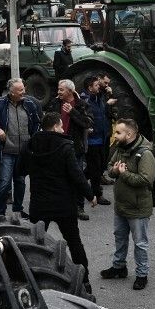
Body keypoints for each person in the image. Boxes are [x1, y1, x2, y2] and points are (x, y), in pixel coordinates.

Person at [26, 112, 97, 292]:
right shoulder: (65, 146)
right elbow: (76, 175)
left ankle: (31, 278)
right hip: (63, 203)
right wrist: (90, 195)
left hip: (39, 203)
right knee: (74, 241)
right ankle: (85, 281)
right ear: (56, 126)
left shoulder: (32, 143)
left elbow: (20, 169)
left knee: (35, 243)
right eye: (60, 125)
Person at [100, 119, 155, 291]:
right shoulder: (120, 149)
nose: (115, 135)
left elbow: (145, 180)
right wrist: (115, 171)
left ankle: (141, 274)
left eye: (118, 132)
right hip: (121, 206)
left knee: (140, 243)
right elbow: (110, 167)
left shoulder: (145, 154)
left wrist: (123, 174)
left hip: (138, 208)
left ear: (130, 134)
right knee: (120, 238)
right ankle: (119, 268)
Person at [0, 78, 41, 217]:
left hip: (23, 152)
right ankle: (0, 213)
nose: (24, 92)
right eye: (20, 90)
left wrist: (33, 139)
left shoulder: (30, 104)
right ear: (11, 92)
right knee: (4, 182)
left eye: (23, 89)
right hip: (6, 151)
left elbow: (37, 122)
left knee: (20, 182)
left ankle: (17, 210)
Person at [46, 79, 94, 220]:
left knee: (77, 178)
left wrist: (72, 112)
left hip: (74, 148)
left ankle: (79, 207)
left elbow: (87, 123)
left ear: (70, 91)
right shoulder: (55, 103)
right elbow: (47, 121)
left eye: (61, 89)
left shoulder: (81, 105)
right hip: (56, 147)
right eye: (58, 89)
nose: (58, 92)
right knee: (56, 178)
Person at [82, 75, 116, 205]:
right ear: (90, 88)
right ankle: (97, 193)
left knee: (96, 167)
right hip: (92, 140)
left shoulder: (98, 97)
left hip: (102, 137)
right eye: (96, 85)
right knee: (95, 169)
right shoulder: (85, 100)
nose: (99, 86)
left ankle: (77, 183)